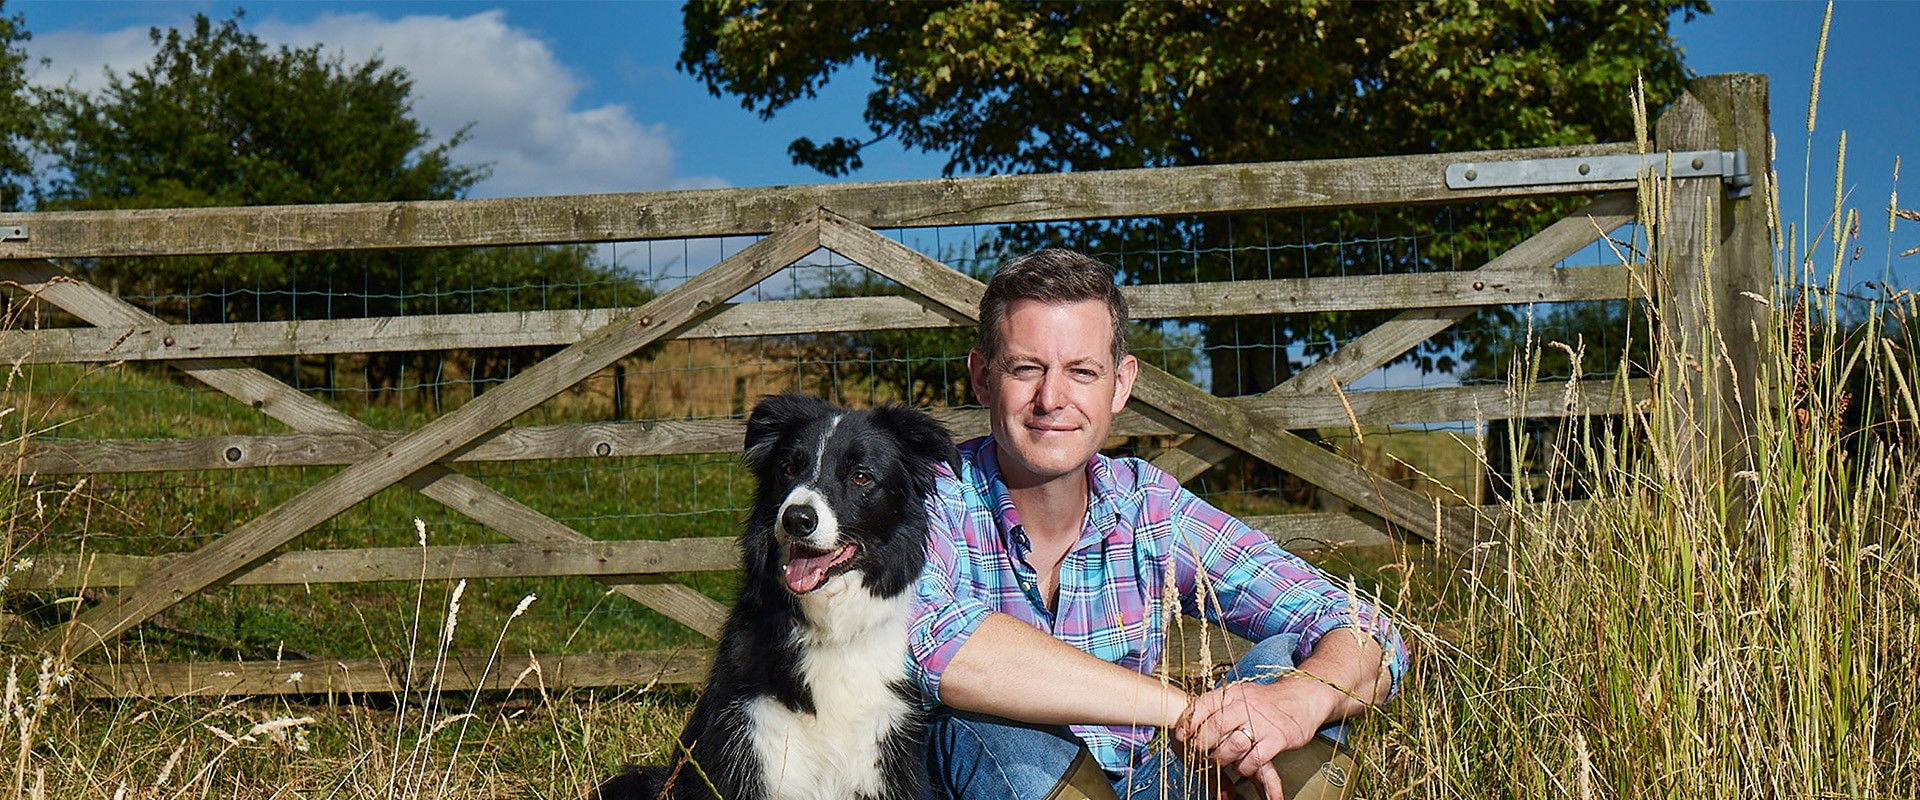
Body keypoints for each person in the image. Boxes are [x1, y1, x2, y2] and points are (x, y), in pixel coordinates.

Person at [909, 248, 1410, 800]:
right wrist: (1185, 711)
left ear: (1120, 384)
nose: (1052, 399)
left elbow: (1363, 627)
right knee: (992, 730)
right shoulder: (925, 495)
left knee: (1293, 670)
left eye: (1082, 372)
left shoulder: (1147, 505)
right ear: (982, 379)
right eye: (1026, 369)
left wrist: (1298, 702)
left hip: (1149, 787)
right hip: (982, 784)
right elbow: (937, 644)